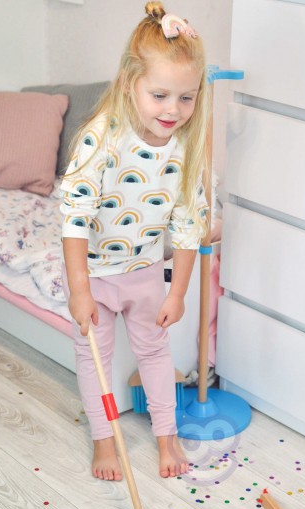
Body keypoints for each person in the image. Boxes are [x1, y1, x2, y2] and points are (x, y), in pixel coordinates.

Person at [59, 2, 209, 481]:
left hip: (144, 272)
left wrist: (177, 292)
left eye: (186, 98)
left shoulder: (185, 150)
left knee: (156, 355)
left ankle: (167, 436)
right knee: (95, 361)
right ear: (130, 83)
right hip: (94, 274)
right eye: (159, 95)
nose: (173, 110)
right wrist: (79, 289)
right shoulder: (102, 137)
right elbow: (75, 218)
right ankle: (104, 441)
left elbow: (188, 226)